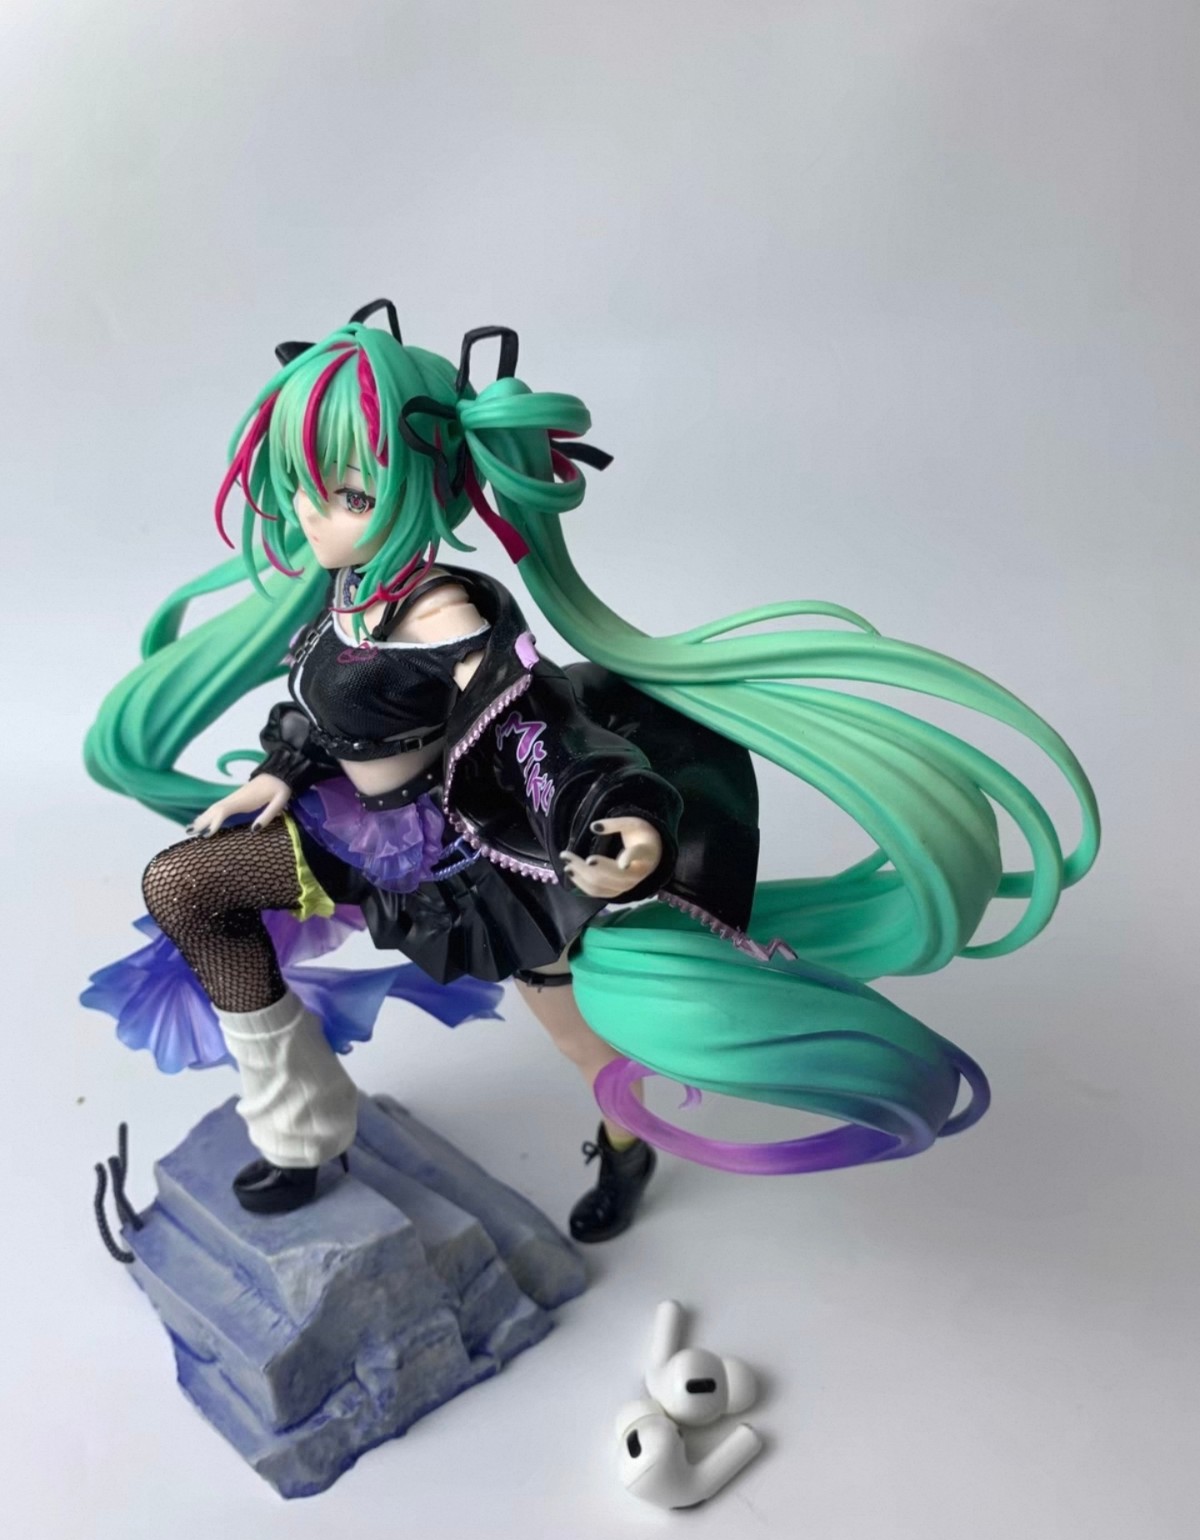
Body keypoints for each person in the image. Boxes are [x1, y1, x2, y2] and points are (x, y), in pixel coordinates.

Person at [83, 299, 1099, 1239]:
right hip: (351, 828)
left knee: (580, 1039)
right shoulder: (347, 589)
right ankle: (303, 1128)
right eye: (304, 487)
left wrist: (606, 818)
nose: (314, 514)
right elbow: (335, 702)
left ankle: (627, 1142)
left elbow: (532, 727)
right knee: (187, 885)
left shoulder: (443, 614)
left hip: (463, 865)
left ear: (422, 486)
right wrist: (282, 767)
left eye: (348, 493)